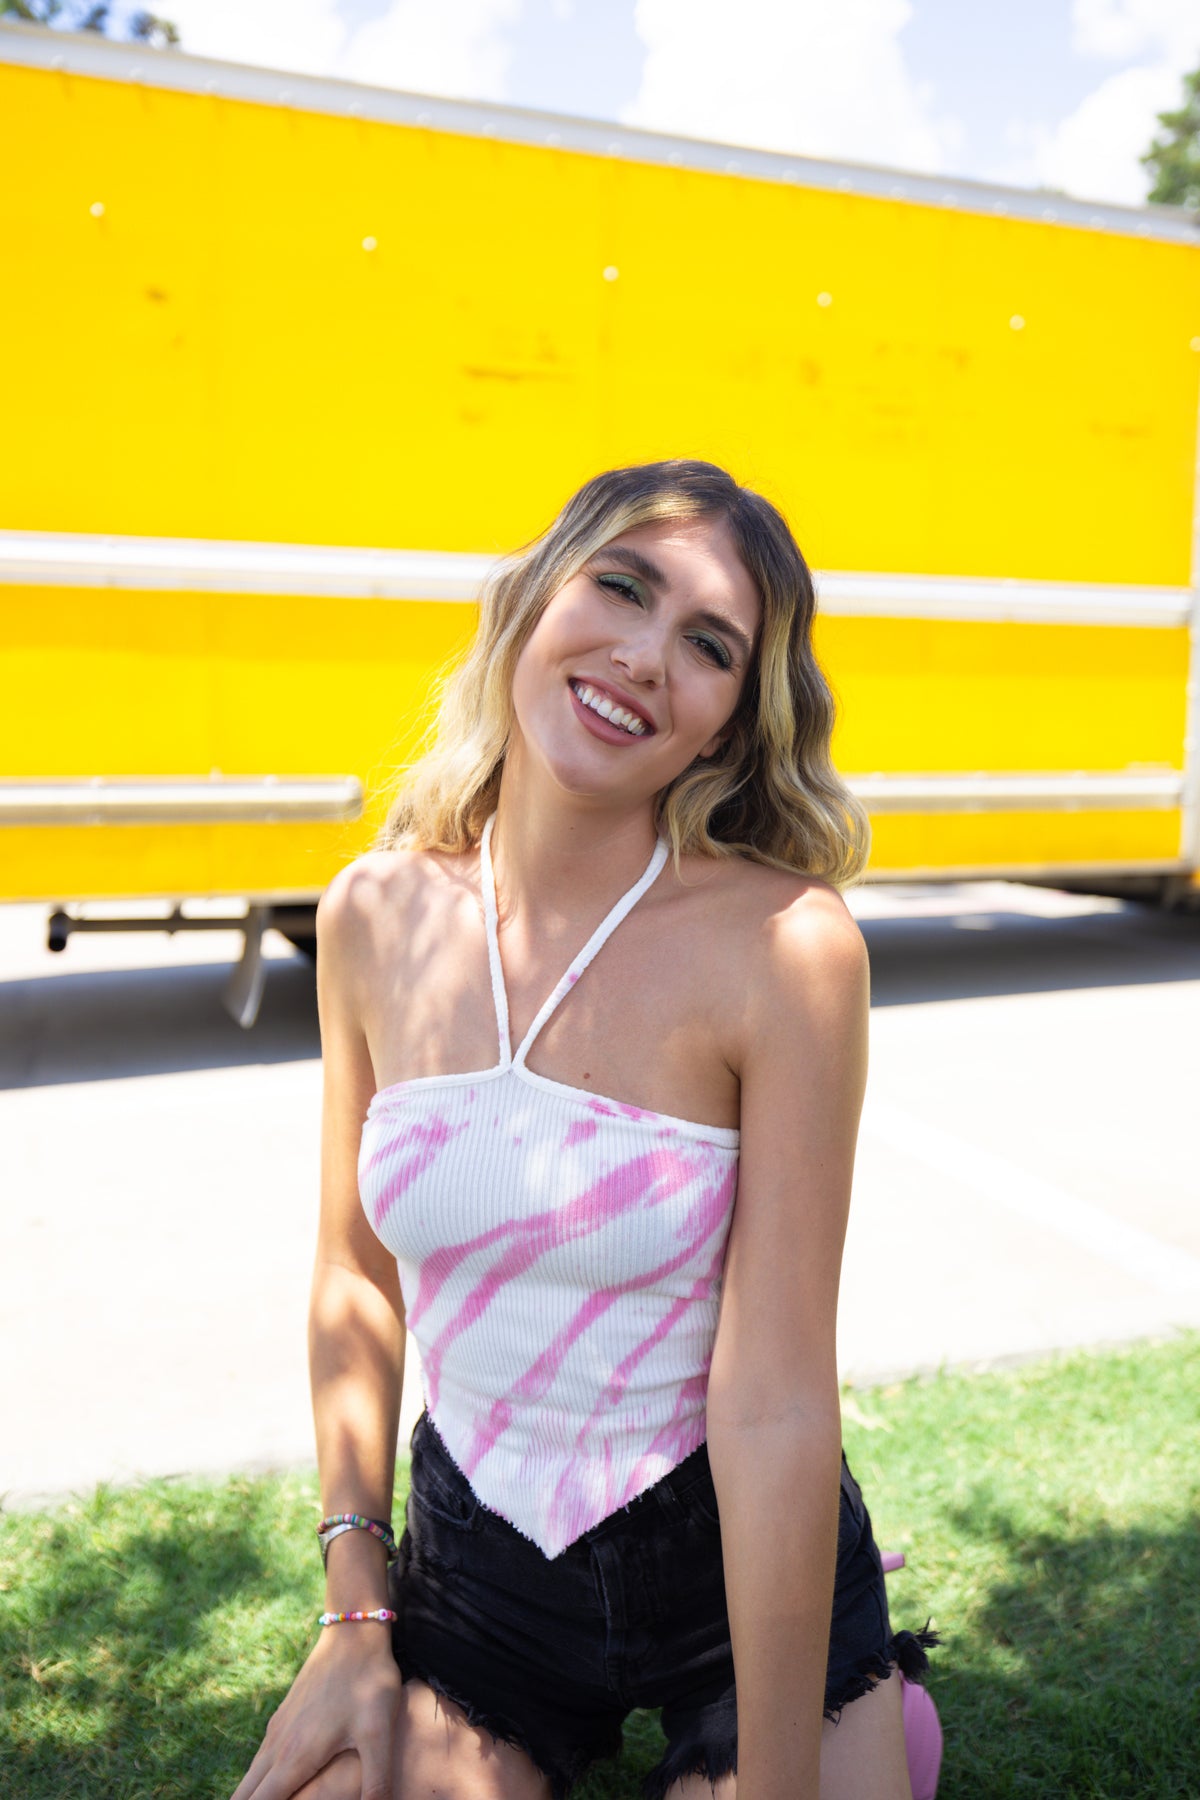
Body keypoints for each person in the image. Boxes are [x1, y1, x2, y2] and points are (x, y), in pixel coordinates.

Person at [231, 459, 936, 1800]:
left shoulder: (788, 949)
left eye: (710, 646)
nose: (646, 656)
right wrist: (354, 1616)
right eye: (621, 586)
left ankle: (869, 1714)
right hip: (481, 1569)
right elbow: (354, 1276)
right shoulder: (372, 915)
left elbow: (778, 1393)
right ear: (534, 597)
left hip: (729, 1569)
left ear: (729, 727)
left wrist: (781, 1776)